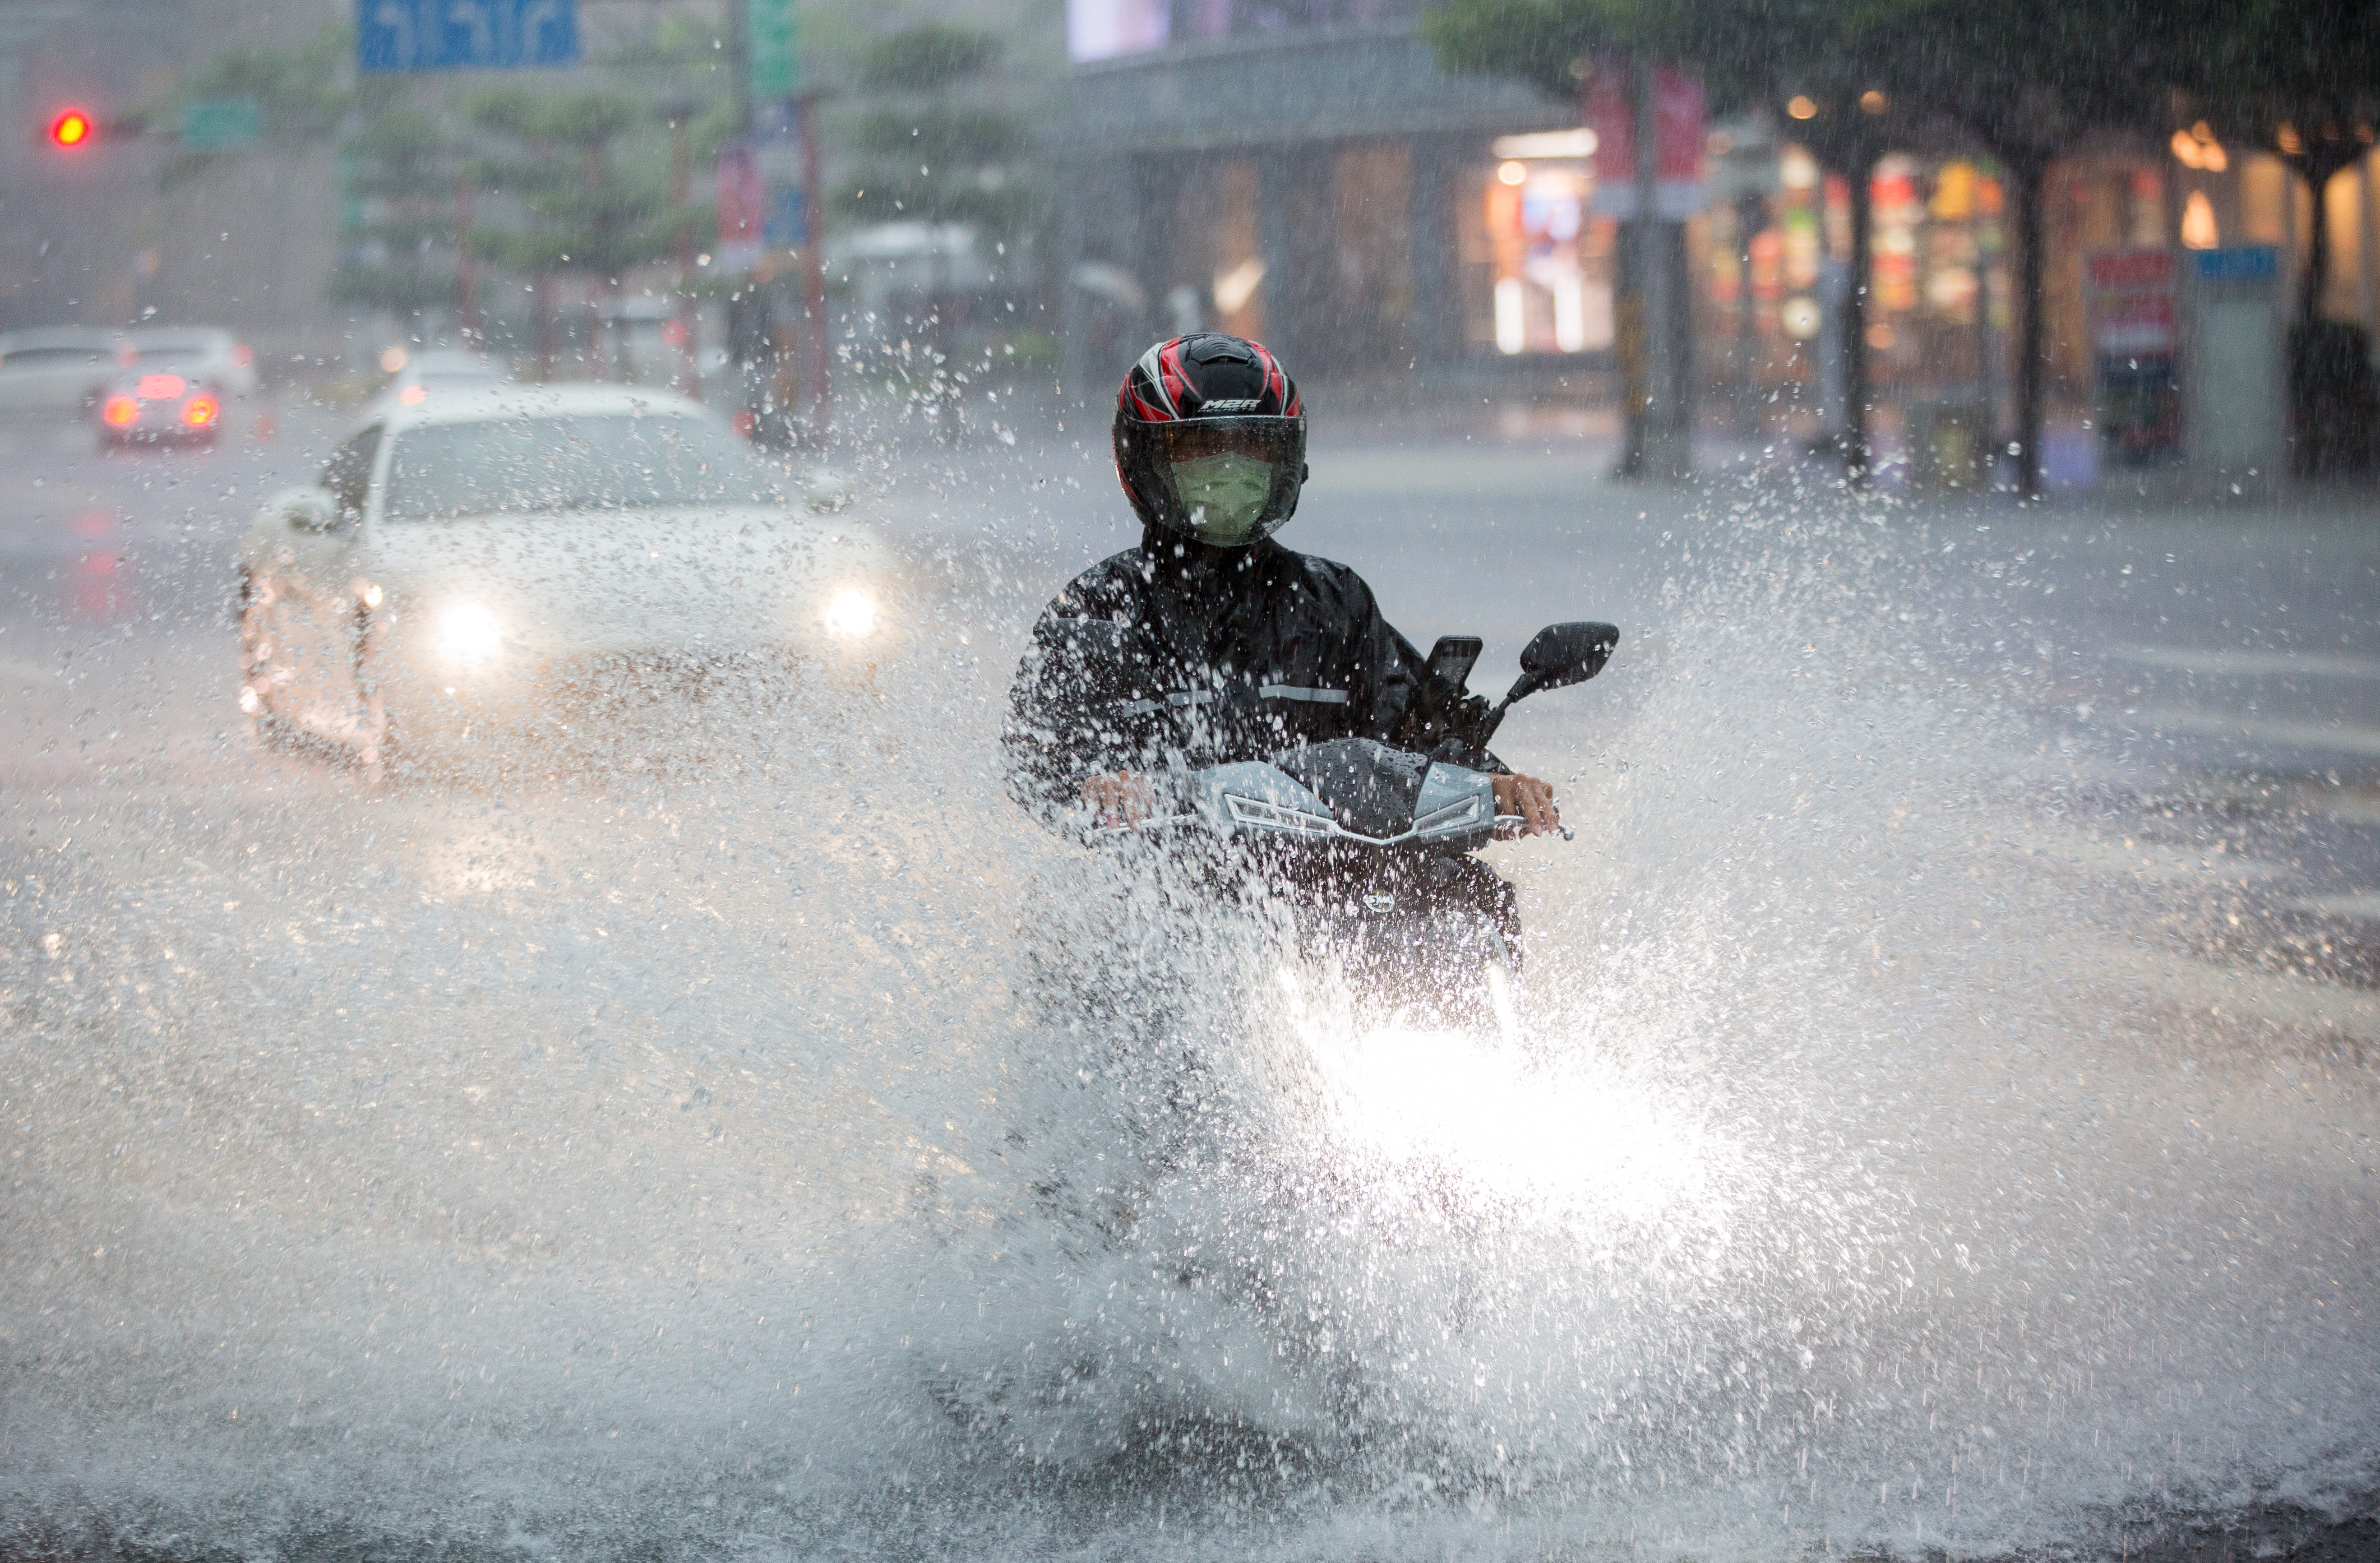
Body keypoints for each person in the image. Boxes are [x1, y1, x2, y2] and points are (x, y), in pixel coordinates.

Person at [1003, 331, 1559, 841]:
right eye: (1200, 449)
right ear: (1141, 459)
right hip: (1166, 892)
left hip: (1336, 887)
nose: (1230, 468)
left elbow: (1411, 736)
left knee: (1477, 895)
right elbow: (1035, 759)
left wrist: (1492, 781)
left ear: (1287, 460)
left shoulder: (1334, 602)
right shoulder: (1096, 609)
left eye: (1252, 445)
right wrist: (1096, 783)